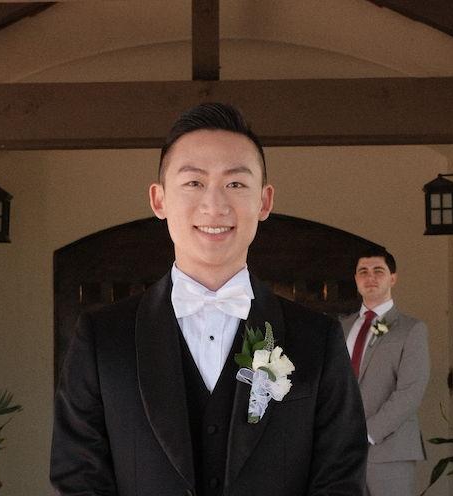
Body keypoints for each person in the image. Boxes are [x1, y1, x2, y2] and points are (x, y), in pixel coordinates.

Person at [50, 102, 367, 495]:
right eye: (193, 183)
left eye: (235, 184)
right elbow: (78, 478)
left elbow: (341, 478)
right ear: (159, 200)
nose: (214, 206)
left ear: (264, 201)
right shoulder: (101, 338)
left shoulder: (317, 338)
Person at [341, 247, 430, 496]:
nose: (370, 277)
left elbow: (410, 392)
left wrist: (367, 433)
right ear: (355, 279)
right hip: (342, 452)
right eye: (363, 271)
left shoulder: (411, 329)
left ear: (393, 278)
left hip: (389, 451)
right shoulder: (341, 327)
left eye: (378, 271)